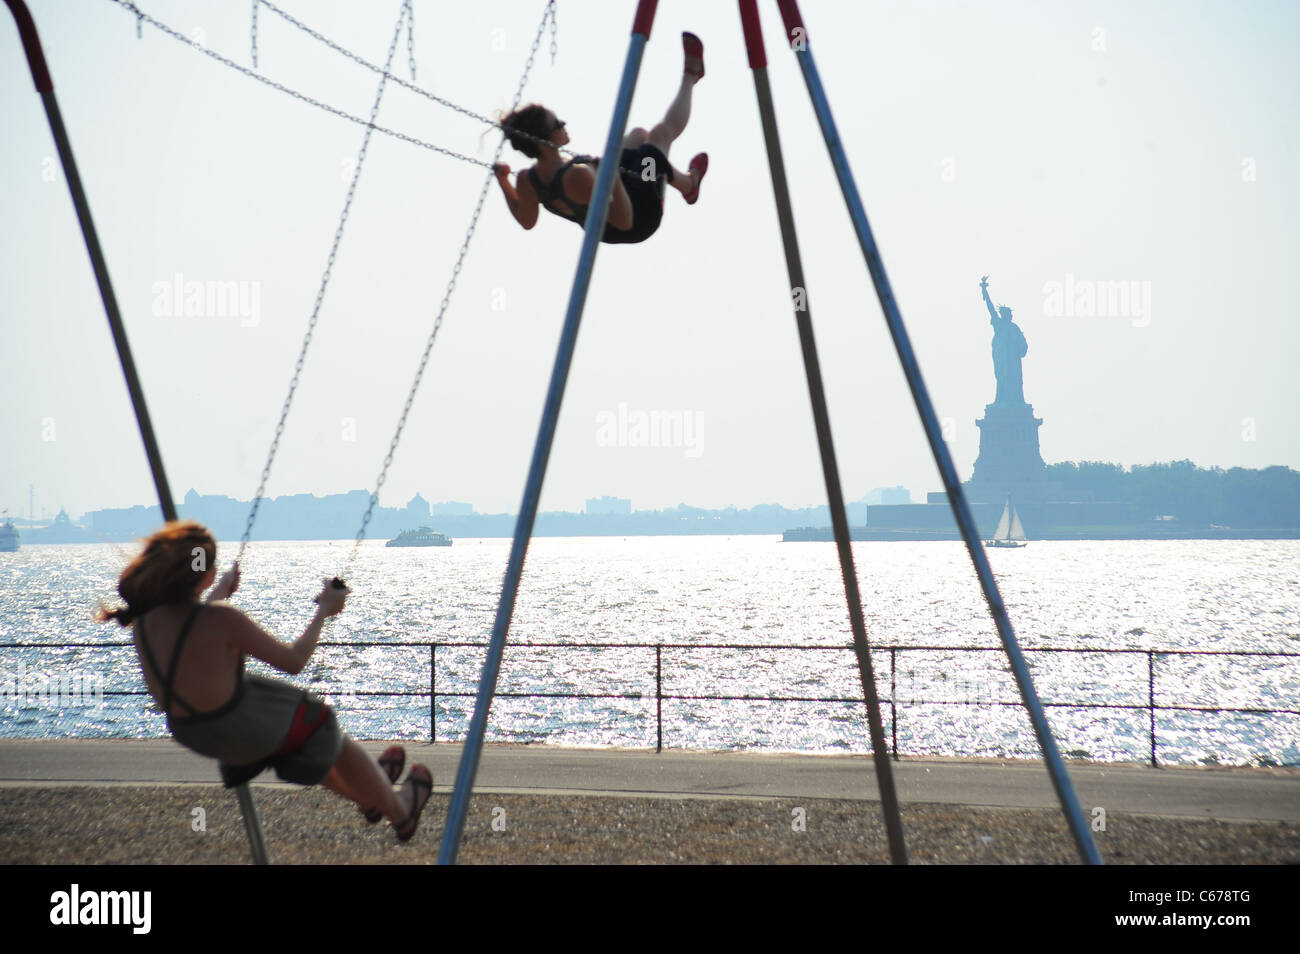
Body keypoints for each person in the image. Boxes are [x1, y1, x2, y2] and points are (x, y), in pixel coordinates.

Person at [96, 521, 432, 841]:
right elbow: (294, 661)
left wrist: (217, 591)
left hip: (194, 734)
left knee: (296, 735)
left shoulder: (144, 623)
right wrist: (324, 611)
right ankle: (400, 812)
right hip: (241, 732)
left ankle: (369, 796)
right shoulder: (224, 619)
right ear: (205, 573)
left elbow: (192, 633)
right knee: (320, 724)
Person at [493, 31, 709, 244]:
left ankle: (688, 185)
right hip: (640, 215)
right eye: (557, 124)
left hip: (617, 205)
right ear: (544, 142)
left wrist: (503, 182)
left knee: (638, 136)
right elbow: (624, 221)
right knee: (657, 139)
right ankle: (691, 75)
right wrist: (611, 178)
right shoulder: (576, 176)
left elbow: (526, 220)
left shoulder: (526, 180)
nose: (564, 124)